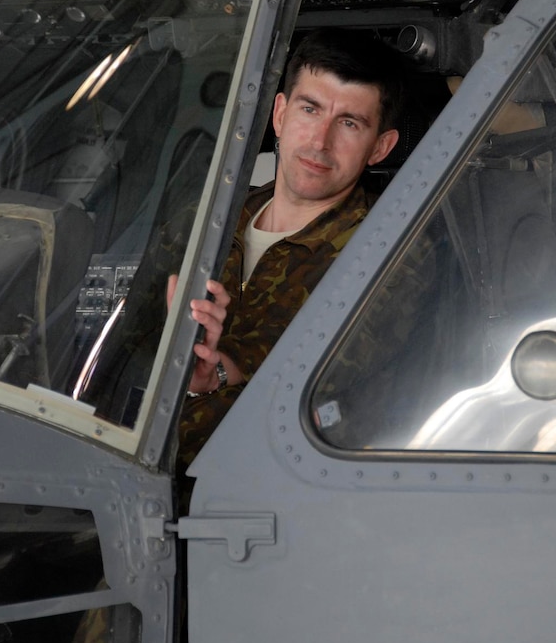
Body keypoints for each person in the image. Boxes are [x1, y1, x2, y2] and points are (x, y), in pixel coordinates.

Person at [168, 28, 408, 479]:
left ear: (381, 147)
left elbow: (334, 365)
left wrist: (220, 371)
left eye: (350, 123)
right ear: (279, 114)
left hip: (264, 501)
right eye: (309, 109)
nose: (320, 141)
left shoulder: (391, 248)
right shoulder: (205, 223)